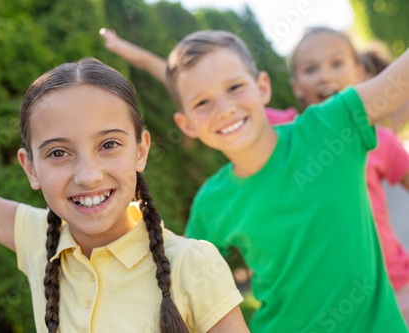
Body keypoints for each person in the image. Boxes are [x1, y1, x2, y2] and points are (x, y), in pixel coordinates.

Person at [0, 58, 250, 333]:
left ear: (141, 150)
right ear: (30, 168)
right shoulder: (38, 239)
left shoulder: (191, 264)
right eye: (58, 152)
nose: (88, 175)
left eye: (109, 145)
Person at [162, 29, 409, 332]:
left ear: (262, 87)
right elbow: (190, 293)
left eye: (235, 87)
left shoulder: (331, 126)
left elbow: (400, 77)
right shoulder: (210, 203)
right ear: (186, 124)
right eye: (202, 103)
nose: (225, 110)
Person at [289, 26, 409, 325]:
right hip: (327, 301)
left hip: (394, 286)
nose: (324, 76)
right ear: (296, 86)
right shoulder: (287, 136)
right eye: (310, 69)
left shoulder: (382, 139)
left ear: (359, 72)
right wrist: (153, 63)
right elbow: (220, 98)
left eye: (336, 64)